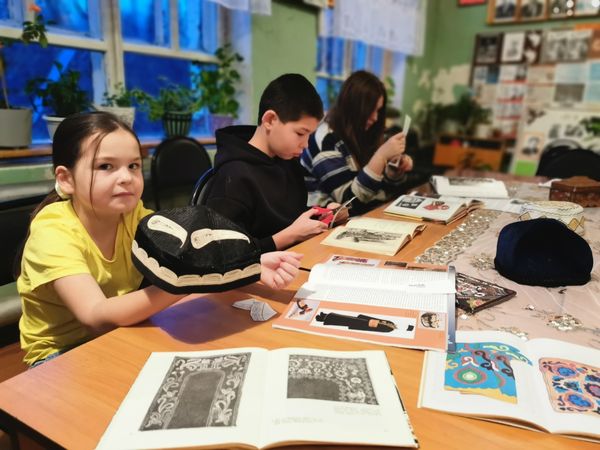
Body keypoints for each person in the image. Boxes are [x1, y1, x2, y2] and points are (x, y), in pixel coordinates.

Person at [16, 112, 302, 367]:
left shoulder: (132, 214)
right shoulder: (52, 232)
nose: (126, 177)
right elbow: (96, 316)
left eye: (133, 166)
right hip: (59, 356)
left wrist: (250, 263)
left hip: (117, 333)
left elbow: (188, 252)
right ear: (66, 179)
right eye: (105, 166)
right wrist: (187, 280)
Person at [204, 73, 341, 253]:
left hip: (294, 256)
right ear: (270, 120)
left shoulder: (287, 160)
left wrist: (323, 214)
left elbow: (286, 218)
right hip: (259, 267)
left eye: (309, 135)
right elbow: (226, 253)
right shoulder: (233, 175)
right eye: (300, 133)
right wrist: (290, 235)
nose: (306, 144)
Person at [301, 70, 413, 214]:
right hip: (331, 223)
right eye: (370, 110)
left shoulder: (362, 133)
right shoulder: (325, 141)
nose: (375, 118)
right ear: (353, 107)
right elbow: (349, 204)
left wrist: (393, 170)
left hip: (372, 215)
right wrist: (380, 157)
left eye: (378, 110)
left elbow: (382, 191)